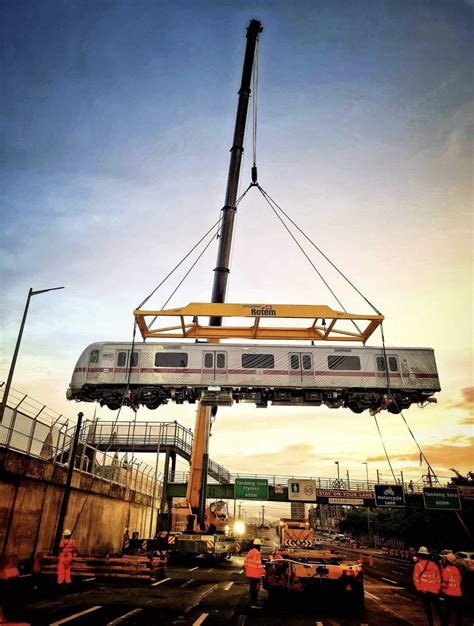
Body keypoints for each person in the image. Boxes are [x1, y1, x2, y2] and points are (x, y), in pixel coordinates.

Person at [413, 546, 442, 626]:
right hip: (434, 590)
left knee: (428, 610)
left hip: (425, 591)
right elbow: (438, 578)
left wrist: (420, 589)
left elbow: (416, 579)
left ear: (420, 556)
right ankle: (444, 623)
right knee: (438, 608)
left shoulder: (418, 565)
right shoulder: (434, 565)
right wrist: (437, 589)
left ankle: (431, 624)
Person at [441, 553, 463, 626]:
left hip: (449, 595)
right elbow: (460, 580)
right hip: (458, 594)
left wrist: (442, 593)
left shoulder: (446, 570)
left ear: (447, 561)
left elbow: (444, 583)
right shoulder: (457, 570)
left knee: (446, 614)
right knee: (458, 614)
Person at [244, 538, 265, 608]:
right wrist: (264, 572)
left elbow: (245, 562)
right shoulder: (257, 553)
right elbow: (259, 565)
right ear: (259, 546)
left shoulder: (250, 552)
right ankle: (254, 603)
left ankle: (252, 602)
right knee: (256, 589)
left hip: (250, 574)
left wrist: (247, 570)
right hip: (256, 575)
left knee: (252, 588)